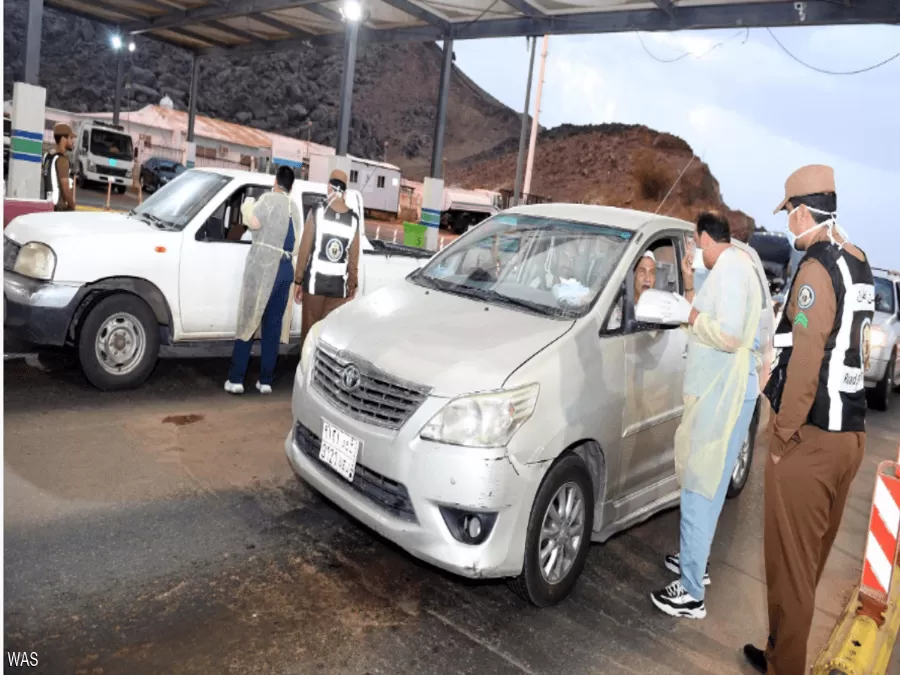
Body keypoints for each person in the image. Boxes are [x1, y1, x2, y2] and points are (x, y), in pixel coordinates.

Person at [744, 165, 874, 675]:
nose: (789, 225)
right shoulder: (858, 261)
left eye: (790, 213)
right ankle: (780, 652)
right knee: (807, 566)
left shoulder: (816, 270)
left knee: (790, 572)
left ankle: (785, 666)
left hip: (812, 437)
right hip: (850, 436)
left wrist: (781, 434)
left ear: (802, 211)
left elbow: (804, 359)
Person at [650, 211, 763, 620]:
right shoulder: (736, 267)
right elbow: (718, 314)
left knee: (699, 484)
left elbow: (728, 333)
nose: (696, 254)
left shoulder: (732, 269)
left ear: (706, 240)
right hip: (726, 391)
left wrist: (690, 315)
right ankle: (694, 562)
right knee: (709, 486)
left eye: (696, 247)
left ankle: (691, 593)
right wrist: (692, 284)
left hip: (722, 394)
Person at [225, 165, 303, 395]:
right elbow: (297, 243)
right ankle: (266, 381)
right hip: (285, 270)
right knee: (273, 326)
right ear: (292, 185)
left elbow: (252, 222)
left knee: (248, 320)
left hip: (264, 269)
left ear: (275, 181)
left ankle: (236, 379)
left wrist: (248, 204)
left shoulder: (268, 200)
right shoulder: (294, 208)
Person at [294, 169, 362, 349]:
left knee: (309, 335)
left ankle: (307, 374)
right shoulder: (354, 220)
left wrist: (298, 280)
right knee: (328, 340)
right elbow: (354, 259)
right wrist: (351, 286)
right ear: (345, 193)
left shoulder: (318, 211)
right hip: (338, 290)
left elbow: (304, 249)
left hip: (315, 286)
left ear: (329, 188)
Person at [41, 123, 76, 212]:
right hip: (58, 209)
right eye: (71, 138)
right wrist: (72, 207)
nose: (73, 141)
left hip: (47, 205)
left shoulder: (47, 156)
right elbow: (66, 190)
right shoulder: (62, 160)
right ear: (64, 139)